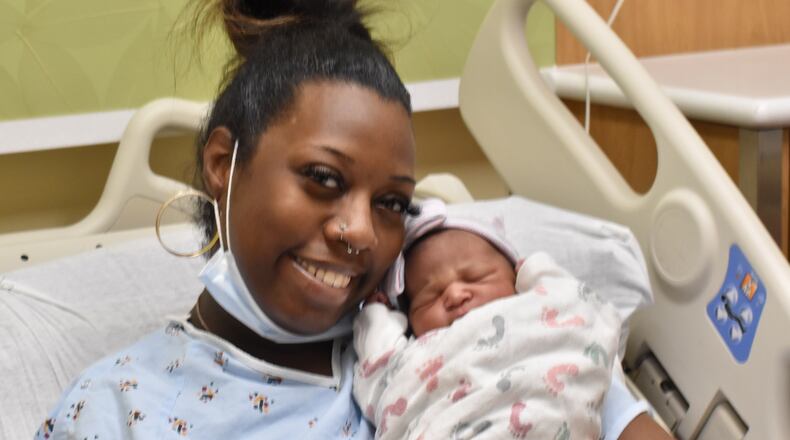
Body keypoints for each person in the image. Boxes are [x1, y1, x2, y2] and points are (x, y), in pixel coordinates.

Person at [35, 1, 672, 439]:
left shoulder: (455, 324)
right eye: (324, 180)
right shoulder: (121, 408)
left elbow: (595, 396)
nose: (362, 232)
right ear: (224, 163)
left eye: (391, 203)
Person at [353, 207, 623, 439]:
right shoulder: (416, 355)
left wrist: (537, 269)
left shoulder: (541, 307)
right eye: (429, 297)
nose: (455, 295)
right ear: (409, 320)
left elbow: (581, 306)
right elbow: (379, 364)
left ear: (516, 277)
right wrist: (375, 315)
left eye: (475, 277)